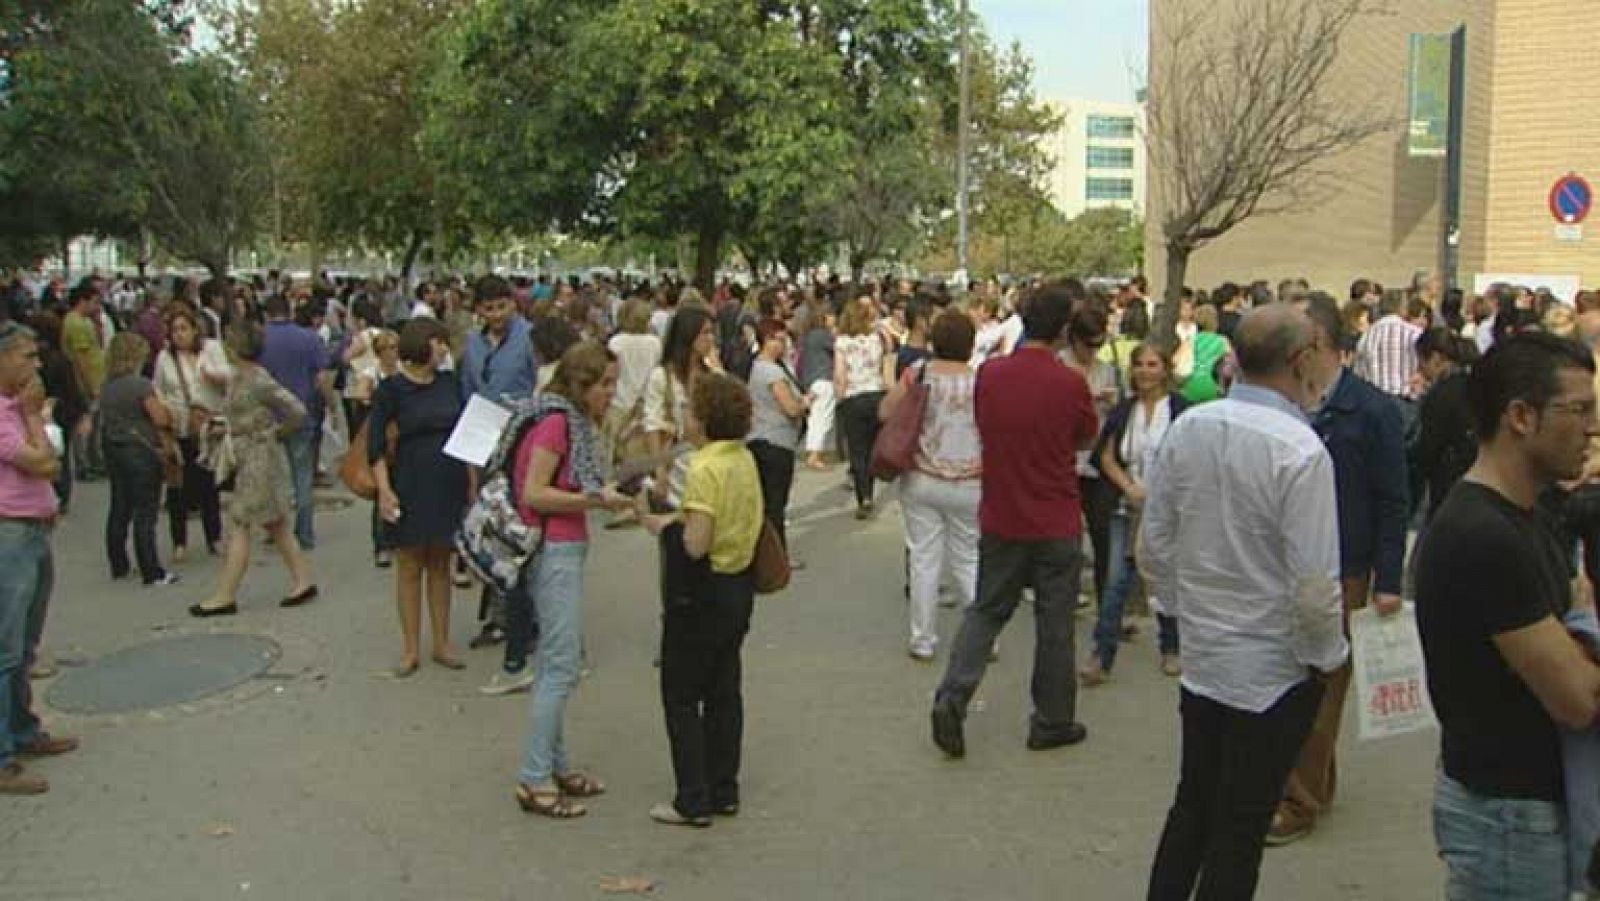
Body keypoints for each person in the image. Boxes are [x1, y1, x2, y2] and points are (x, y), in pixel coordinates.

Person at [1140, 304, 1347, 900]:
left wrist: (1180, 617)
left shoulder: (1192, 426)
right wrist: (1324, 656)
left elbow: (1155, 541)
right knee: (1240, 827)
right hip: (1273, 669)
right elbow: (1314, 586)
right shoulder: (1300, 451)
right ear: (1300, 359)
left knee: (1193, 806)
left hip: (1208, 658)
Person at [1415, 332, 1600, 899]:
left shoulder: (1531, 512)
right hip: (1508, 819)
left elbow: (1575, 606)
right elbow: (1576, 699)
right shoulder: (1482, 535)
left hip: (1526, 809)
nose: (1593, 428)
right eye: (1580, 410)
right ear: (1521, 415)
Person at [929, 282, 1099, 759]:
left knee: (986, 610)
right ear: (1064, 328)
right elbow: (1085, 436)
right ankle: (1052, 718)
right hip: (1055, 514)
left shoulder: (992, 375)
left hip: (1002, 510)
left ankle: (953, 694)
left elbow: (985, 424)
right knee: (1054, 621)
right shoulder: (1069, 383)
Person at [1265, 293, 1409, 846]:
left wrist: (1389, 581)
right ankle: (1313, 784)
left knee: (1325, 684)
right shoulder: (1285, 404)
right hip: (1288, 560)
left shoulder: (1371, 410)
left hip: (1344, 565)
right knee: (1292, 676)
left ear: (1316, 342)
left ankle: (1299, 801)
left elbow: (1394, 499)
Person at [512, 343, 631, 819]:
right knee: (561, 666)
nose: (611, 393)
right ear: (581, 384)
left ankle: (554, 765)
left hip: (561, 545)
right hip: (554, 547)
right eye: (605, 384)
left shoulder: (558, 417)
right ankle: (534, 776)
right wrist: (595, 500)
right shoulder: (558, 423)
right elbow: (535, 493)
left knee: (554, 664)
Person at [641, 372, 765, 827]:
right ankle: (724, 786)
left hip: (702, 591)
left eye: (690, 411)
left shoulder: (703, 467)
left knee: (680, 694)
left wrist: (664, 527)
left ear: (705, 419)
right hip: (739, 584)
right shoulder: (743, 459)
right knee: (723, 689)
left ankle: (691, 797)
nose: (684, 418)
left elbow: (696, 542)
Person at [189, 323, 317, 617]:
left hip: (259, 457)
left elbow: (296, 409)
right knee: (275, 522)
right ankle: (302, 580)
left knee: (241, 521)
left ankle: (225, 594)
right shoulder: (240, 377)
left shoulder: (257, 379)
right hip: (249, 455)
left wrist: (274, 432)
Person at [1080, 344, 1189, 687]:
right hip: (1127, 506)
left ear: (1166, 369)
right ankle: (1102, 654)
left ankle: (1172, 645)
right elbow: (1106, 455)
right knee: (1114, 582)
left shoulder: (1182, 410)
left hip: (1169, 510)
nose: (1145, 371)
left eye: (1152, 364)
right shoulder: (1125, 411)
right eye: (1139, 365)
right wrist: (1127, 485)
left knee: (1166, 580)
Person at [0, 321, 77, 795]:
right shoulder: (9, 415)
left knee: (24, 644)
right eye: (27, 357)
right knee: (6, 650)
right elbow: (43, 462)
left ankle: (23, 730)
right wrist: (32, 418)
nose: (36, 364)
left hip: (34, 531)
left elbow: (52, 460)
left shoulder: (15, 409)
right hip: (10, 536)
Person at [370, 319, 470, 678]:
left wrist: (472, 484)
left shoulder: (450, 383)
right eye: (436, 342)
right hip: (409, 481)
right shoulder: (391, 390)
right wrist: (384, 489)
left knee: (441, 563)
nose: (443, 349)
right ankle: (410, 647)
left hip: (448, 481)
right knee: (410, 564)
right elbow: (376, 446)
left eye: (444, 342)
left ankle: (442, 642)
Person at [881, 309, 981, 661]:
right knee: (969, 559)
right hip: (972, 480)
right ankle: (983, 638)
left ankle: (923, 639)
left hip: (923, 478)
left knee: (924, 560)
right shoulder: (983, 379)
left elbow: (885, 411)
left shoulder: (918, 373)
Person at [98, 333, 178, 587]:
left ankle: (119, 563)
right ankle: (152, 570)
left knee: (119, 506)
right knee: (146, 511)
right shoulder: (140, 385)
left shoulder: (107, 386)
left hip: (114, 448)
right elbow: (160, 419)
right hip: (141, 450)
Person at [154, 306, 226, 562]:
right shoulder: (165, 358)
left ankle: (214, 537)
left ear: (195, 330)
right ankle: (179, 541)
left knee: (209, 485)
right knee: (177, 487)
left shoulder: (211, 351)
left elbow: (230, 378)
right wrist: (164, 422)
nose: (179, 335)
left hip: (207, 426)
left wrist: (213, 376)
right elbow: (159, 391)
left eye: (184, 329)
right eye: (174, 330)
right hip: (179, 426)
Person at [258, 294, 330, 551]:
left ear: (267, 313)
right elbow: (322, 379)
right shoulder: (310, 339)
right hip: (302, 414)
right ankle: (305, 533)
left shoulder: (259, 340)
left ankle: (274, 529)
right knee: (302, 475)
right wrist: (329, 406)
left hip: (267, 417)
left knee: (273, 477)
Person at [1061, 305, 1119, 607]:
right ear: (1074, 340)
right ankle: (1066, 594)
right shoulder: (1060, 366)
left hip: (1097, 458)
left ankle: (1105, 598)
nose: (1093, 351)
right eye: (1089, 345)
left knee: (1102, 531)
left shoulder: (1105, 369)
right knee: (1067, 536)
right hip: (1066, 458)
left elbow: (1114, 415)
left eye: (1099, 344)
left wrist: (1109, 403)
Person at [644, 306, 716, 510]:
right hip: (676, 464)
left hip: (708, 462)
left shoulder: (711, 374)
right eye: (705, 333)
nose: (710, 339)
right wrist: (659, 472)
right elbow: (653, 424)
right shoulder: (663, 377)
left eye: (712, 332)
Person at [746, 319, 805, 551]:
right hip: (775, 441)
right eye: (778, 339)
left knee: (768, 503)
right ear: (766, 341)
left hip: (762, 438)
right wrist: (804, 404)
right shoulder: (770, 371)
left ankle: (765, 552)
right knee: (775, 504)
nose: (783, 344)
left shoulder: (762, 367)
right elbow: (790, 408)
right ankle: (777, 555)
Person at [834, 297, 892, 519]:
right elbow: (886, 369)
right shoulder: (877, 339)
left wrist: (839, 396)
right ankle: (871, 484)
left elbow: (840, 374)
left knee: (857, 450)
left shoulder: (842, 342)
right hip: (876, 394)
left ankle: (864, 495)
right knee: (872, 446)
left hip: (853, 397)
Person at [61, 281, 106, 481]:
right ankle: (83, 464)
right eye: (94, 302)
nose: (97, 307)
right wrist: (90, 385)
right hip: (87, 382)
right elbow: (80, 359)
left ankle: (93, 460)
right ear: (82, 301)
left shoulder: (85, 322)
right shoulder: (76, 324)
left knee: (95, 426)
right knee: (85, 424)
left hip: (97, 377)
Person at [1354, 290, 1422, 402]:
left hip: (1374, 400)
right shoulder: (1415, 333)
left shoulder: (1366, 336)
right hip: (1406, 399)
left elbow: (1359, 374)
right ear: (1403, 308)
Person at [798, 298, 836, 471]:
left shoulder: (808, 336)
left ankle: (812, 451)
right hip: (824, 378)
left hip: (811, 379)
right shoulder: (823, 335)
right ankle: (815, 455)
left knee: (815, 418)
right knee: (823, 418)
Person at [1175, 304, 1232, 404]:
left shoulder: (1190, 340)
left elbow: (1177, 363)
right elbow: (1230, 365)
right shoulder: (1223, 341)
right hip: (1215, 387)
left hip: (1191, 385)